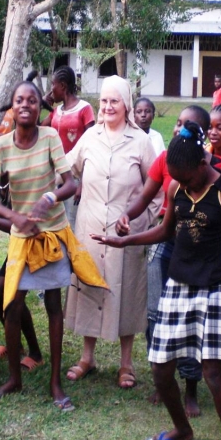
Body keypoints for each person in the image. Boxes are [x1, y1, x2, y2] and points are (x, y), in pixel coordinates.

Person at [92, 120, 221, 440]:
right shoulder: (176, 187)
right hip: (178, 284)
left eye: (188, 177)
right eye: (177, 178)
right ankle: (183, 429)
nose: (183, 184)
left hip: (212, 288)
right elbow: (165, 232)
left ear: (203, 163)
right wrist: (124, 240)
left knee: (212, 373)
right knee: (160, 367)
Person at [0, 80, 107, 410]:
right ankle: (13, 380)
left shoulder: (49, 137)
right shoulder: (0, 147)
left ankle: (56, 383)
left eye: (32, 100)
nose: (25, 105)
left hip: (53, 235)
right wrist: (14, 216)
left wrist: (49, 198)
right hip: (23, 239)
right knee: (11, 304)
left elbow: (70, 183)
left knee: (53, 305)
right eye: (19, 100)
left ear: (39, 107)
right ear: (12, 107)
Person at [117, 104, 221, 417]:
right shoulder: (165, 159)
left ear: (202, 133)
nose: (179, 128)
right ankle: (163, 379)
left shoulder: (215, 169)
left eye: (187, 124)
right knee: (156, 315)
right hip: (164, 244)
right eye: (177, 122)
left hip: (196, 254)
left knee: (192, 323)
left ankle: (191, 388)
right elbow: (145, 195)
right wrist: (127, 215)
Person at [64, 74, 159, 389]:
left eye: (114, 101)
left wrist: (145, 219)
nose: (107, 106)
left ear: (126, 104)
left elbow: (156, 184)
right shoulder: (90, 137)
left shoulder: (141, 141)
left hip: (126, 232)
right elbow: (67, 168)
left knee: (127, 291)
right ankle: (87, 357)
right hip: (90, 227)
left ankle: (126, 363)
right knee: (91, 286)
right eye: (103, 101)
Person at [43, 66, 95, 227]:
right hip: (55, 175)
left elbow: (92, 146)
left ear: (63, 86)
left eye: (53, 85)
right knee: (54, 223)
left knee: (71, 224)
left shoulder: (84, 109)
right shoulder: (56, 111)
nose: (51, 90)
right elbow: (36, 129)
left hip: (75, 176)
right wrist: (41, 105)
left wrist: (83, 184)